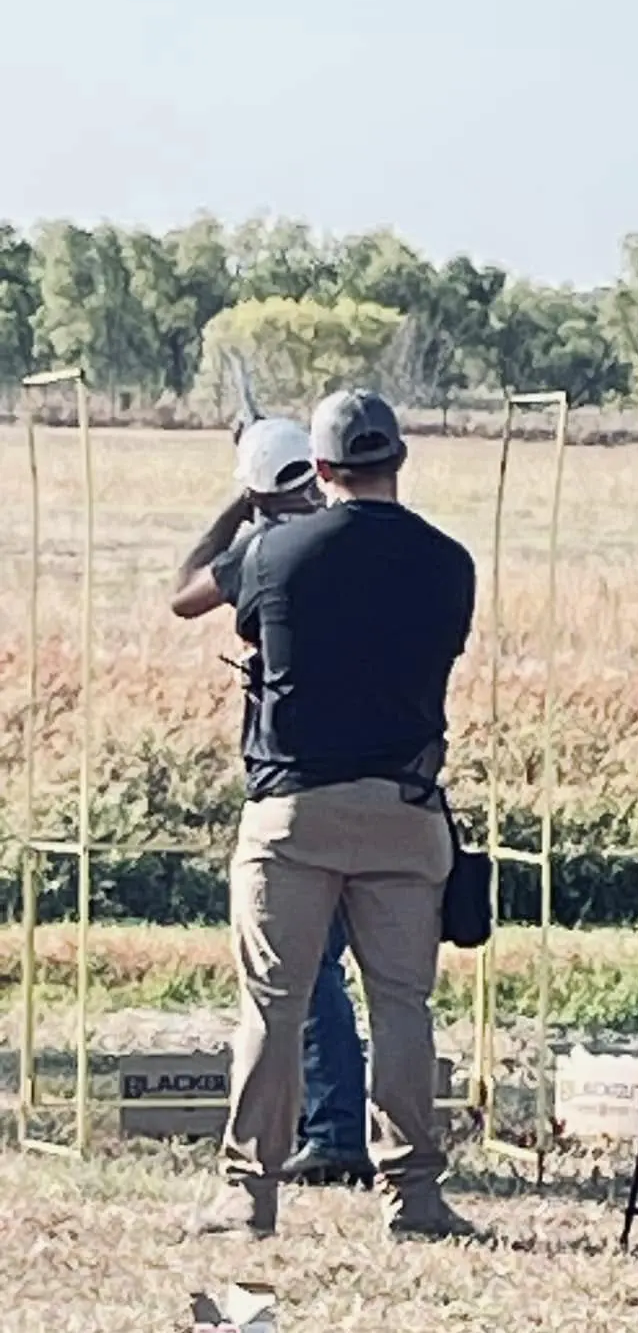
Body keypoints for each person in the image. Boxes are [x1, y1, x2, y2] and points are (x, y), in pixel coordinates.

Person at [191, 389, 478, 1239]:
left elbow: (203, 601)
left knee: (274, 1006)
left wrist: (251, 500)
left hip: (293, 812)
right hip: (404, 808)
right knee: (402, 1009)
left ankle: (249, 1197)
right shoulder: (449, 561)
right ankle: (415, 1199)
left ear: (319, 470)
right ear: (399, 459)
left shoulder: (273, 552)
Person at [172, 419, 374, 1188]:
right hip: (386, 776)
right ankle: (345, 1127)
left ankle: (332, 1129)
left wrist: (238, 505)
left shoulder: (263, 550)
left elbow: (184, 595)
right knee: (375, 975)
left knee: (302, 968)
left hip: (296, 784)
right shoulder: (352, 539)